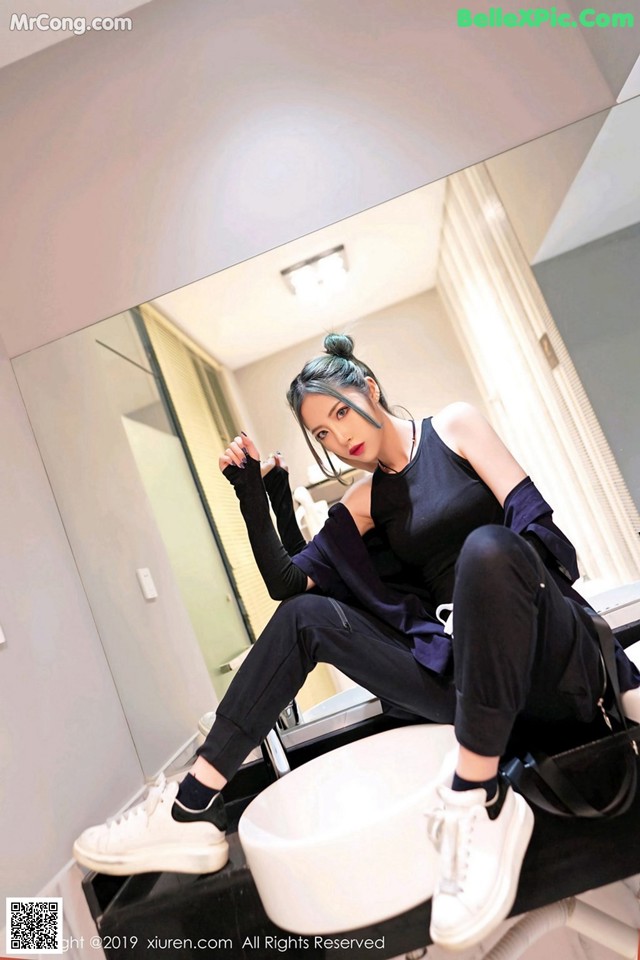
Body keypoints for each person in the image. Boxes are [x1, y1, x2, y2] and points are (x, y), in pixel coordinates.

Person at [73, 334, 640, 951]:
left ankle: (472, 797)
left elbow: (539, 532)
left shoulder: (454, 427)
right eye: (322, 433)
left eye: (340, 412)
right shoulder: (362, 501)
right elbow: (287, 583)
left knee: (489, 548)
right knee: (308, 616)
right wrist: (250, 494)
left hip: (548, 655)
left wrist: (624, 681)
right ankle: (186, 809)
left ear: (367, 386)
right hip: (471, 684)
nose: (339, 438)